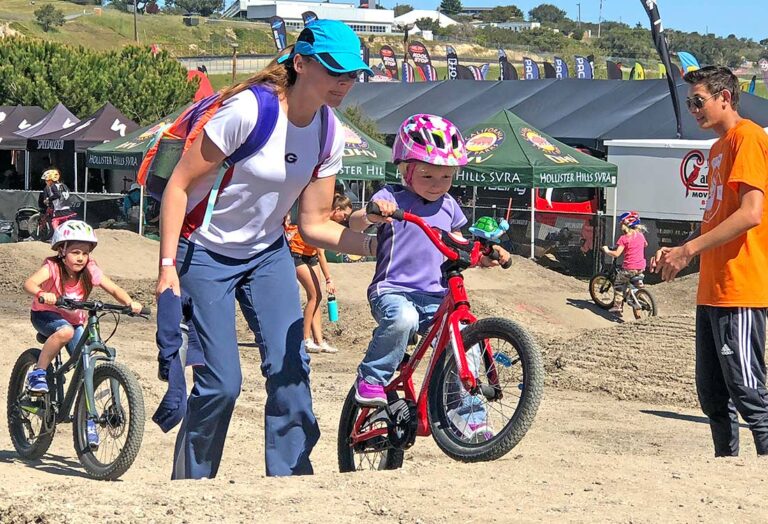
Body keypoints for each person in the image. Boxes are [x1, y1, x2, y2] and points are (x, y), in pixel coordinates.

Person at [155, 19, 373, 478]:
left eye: (352, 74)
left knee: (291, 371)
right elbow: (178, 186)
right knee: (221, 385)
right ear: (301, 63)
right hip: (204, 250)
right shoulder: (249, 110)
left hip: (267, 254)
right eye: (334, 70)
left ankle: (291, 484)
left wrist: (379, 244)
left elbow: (314, 224)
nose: (344, 82)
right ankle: (191, 487)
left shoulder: (329, 131)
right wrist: (167, 266)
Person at [346, 114, 511, 442]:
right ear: (405, 171)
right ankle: (372, 378)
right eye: (427, 175)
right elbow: (355, 222)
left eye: (446, 176)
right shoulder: (392, 198)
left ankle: (468, 413)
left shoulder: (450, 206)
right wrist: (372, 214)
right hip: (394, 291)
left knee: (465, 343)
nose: (437, 183)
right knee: (403, 319)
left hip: (436, 297)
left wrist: (487, 254)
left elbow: (460, 244)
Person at [651, 66, 768, 457]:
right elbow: (718, 217)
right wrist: (681, 248)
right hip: (713, 289)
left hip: (740, 287)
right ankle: (726, 468)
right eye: (689, 103)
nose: (693, 110)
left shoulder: (748, 138)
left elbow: (751, 213)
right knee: (713, 394)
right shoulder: (718, 149)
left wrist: (689, 250)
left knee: (749, 391)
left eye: (698, 101)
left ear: (725, 98)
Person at [23, 220, 143, 449]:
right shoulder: (52, 267)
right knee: (65, 332)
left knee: (86, 365)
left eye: (85, 253)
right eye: (75, 252)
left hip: (75, 320)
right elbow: (29, 283)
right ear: (62, 250)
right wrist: (42, 293)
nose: (81, 258)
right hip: (46, 315)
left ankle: (88, 421)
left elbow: (112, 287)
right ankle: (38, 373)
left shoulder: (90, 270)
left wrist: (130, 303)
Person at [284, 194, 353, 353]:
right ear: (337, 209)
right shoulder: (320, 222)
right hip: (297, 254)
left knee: (318, 296)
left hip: (310, 255)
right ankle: (305, 338)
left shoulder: (329, 224)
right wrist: (329, 279)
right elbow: (322, 254)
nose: (344, 219)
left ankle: (319, 340)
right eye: (344, 215)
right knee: (314, 296)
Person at [601, 211, 648, 315]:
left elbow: (616, 254)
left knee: (618, 283)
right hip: (641, 267)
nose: (620, 226)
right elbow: (645, 244)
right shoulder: (640, 235)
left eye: (621, 223)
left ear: (625, 225)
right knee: (635, 284)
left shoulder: (624, 238)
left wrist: (607, 250)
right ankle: (641, 295)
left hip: (629, 268)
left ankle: (617, 306)